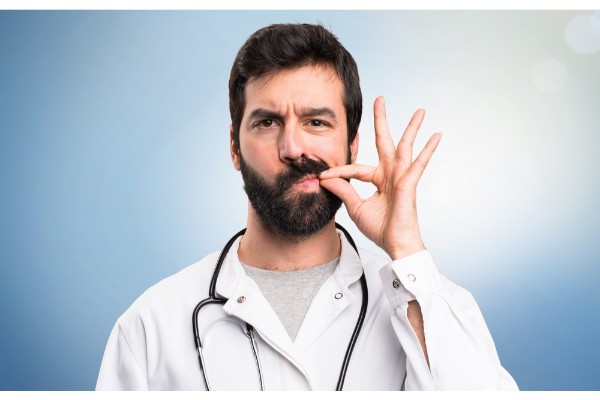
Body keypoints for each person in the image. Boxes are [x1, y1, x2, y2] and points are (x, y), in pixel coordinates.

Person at [96, 23, 518, 391]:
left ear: (351, 146)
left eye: (316, 122)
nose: (293, 148)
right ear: (234, 148)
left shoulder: (428, 301)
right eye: (267, 122)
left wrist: (406, 249)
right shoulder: (151, 325)